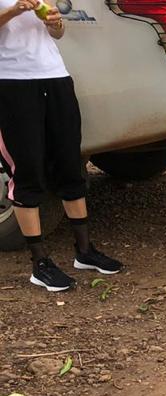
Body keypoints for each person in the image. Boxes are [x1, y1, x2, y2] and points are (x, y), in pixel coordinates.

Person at [0, 0, 122, 292]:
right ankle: (40, 263)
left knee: (70, 163)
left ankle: (84, 250)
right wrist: (15, 10)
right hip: (12, 82)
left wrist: (55, 23)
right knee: (27, 170)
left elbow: (57, 33)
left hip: (55, 75)